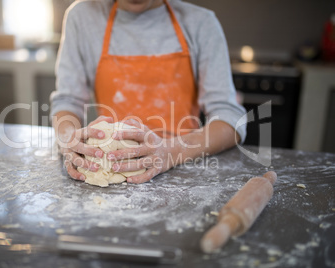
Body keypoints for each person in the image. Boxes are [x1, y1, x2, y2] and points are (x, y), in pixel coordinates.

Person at [50, 0, 247, 184]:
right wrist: (69, 140)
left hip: (185, 167)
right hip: (112, 166)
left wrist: (171, 151)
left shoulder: (200, 23)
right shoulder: (84, 17)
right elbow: (68, 101)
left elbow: (230, 118)